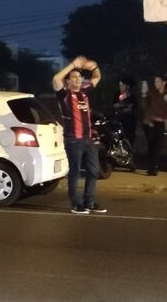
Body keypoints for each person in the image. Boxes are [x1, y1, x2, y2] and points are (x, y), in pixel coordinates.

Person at [52, 56, 106, 215]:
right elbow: (56, 78)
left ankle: (89, 201)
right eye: (73, 77)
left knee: (94, 170)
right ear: (68, 82)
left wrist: (94, 66)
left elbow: (97, 77)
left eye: (79, 76)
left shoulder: (85, 91)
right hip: (73, 139)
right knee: (75, 172)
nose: (77, 79)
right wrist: (73, 65)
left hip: (87, 138)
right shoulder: (64, 94)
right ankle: (76, 203)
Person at [143, 75, 167, 176]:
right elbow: (145, 105)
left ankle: (153, 166)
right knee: (151, 145)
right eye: (155, 82)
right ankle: (152, 167)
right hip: (150, 122)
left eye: (158, 81)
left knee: (159, 144)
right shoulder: (152, 93)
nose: (156, 83)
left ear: (164, 82)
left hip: (163, 122)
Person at [113, 77, 138, 147]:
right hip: (119, 120)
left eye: (122, 85)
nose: (120, 87)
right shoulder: (117, 94)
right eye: (119, 85)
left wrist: (124, 107)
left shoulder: (132, 96)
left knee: (130, 136)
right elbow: (115, 105)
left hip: (130, 120)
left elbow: (132, 108)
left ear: (127, 86)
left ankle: (129, 150)